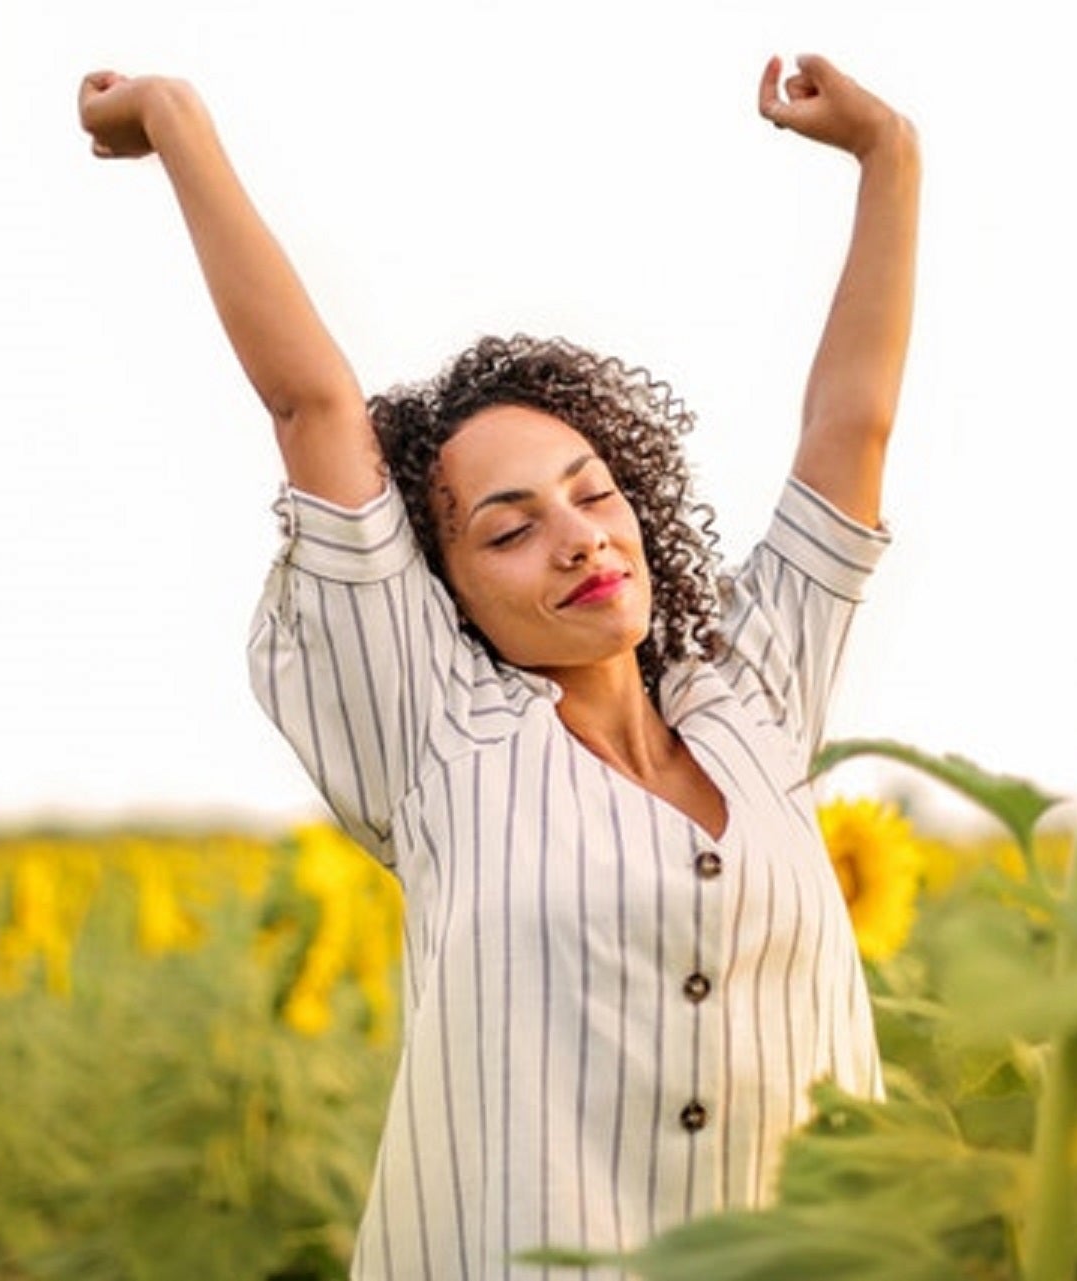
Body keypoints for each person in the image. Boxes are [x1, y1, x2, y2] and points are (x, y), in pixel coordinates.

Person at [78, 49, 920, 1280]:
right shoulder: (438, 736)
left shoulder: (757, 701)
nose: (579, 538)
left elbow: (853, 424)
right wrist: (174, 118)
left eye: (594, 494)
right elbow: (312, 405)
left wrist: (888, 154)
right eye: (510, 529)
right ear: (446, 590)